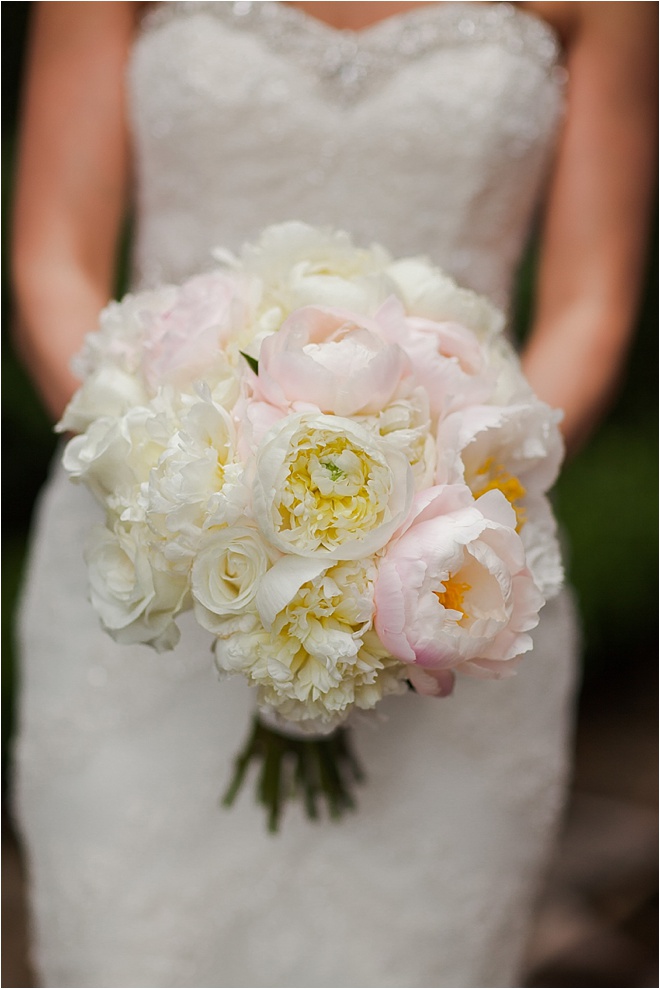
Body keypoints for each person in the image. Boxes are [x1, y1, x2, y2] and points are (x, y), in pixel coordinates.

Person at [11, 2, 655, 987]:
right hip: (146, 555)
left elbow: (591, 304)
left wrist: (438, 495)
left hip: (460, 565)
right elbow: (52, 258)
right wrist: (176, 476)